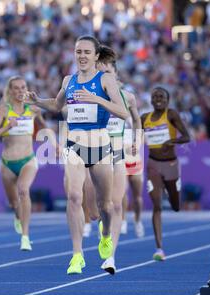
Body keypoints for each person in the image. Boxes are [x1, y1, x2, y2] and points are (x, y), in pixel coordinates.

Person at [28, 35, 129, 274]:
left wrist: (96, 99)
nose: (81, 56)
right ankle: (77, 255)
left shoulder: (105, 80)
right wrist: (38, 101)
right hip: (74, 145)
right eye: (78, 52)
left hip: (101, 147)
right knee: (74, 196)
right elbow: (56, 104)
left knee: (105, 205)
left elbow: (123, 112)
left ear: (96, 56)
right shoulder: (69, 80)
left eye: (86, 52)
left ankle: (105, 236)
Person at [0, 76, 53, 251]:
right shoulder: (4, 110)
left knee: (24, 190)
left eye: (23, 87)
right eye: (16, 88)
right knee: (14, 203)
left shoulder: (33, 110)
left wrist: (54, 144)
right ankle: (17, 216)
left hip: (28, 160)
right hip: (8, 163)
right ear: (10, 91)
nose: (20, 91)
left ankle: (25, 236)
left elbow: (45, 128)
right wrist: (7, 127)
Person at [95, 45, 143, 273]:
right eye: (100, 73)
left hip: (118, 155)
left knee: (115, 204)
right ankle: (102, 232)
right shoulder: (91, 96)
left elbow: (137, 120)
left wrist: (137, 140)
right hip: (94, 154)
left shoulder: (128, 97)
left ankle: (111, 257)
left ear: (116, 75)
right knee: (100, 207)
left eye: (108, 72)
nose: (105, 77)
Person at [141, 86, 190, 261]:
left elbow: (187, 137)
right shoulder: (144, 118)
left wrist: (171, 141)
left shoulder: (171, 115)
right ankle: (159, 247)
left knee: (176, 206)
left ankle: (172, 190)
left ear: (167, 100)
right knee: (156, 205)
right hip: (153, 164)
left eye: (161, 96)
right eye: (155, 96)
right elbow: (135, 137)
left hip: (171, 164)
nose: (158, 99)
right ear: (151, 100)